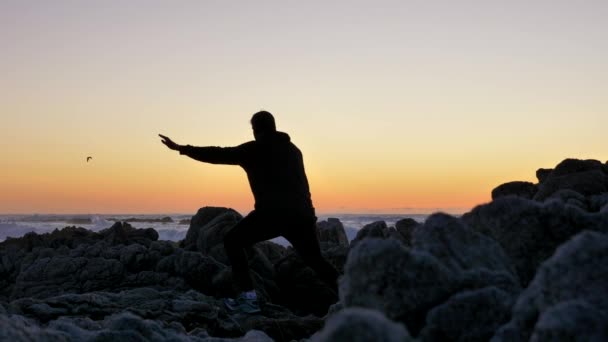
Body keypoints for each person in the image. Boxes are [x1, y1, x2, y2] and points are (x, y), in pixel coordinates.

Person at [159, 110, 339, 314]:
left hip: (272, 214)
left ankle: (248, 299)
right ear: (273, 126)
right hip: (303, 215)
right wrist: (307, 212)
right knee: (316, 260)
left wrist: (181, 148)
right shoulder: (293, 150)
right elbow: (302, 184)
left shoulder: (254, 149)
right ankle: (355, 297)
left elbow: (217, 154)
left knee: (233, 241)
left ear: (255, 130)